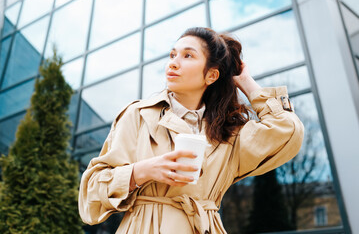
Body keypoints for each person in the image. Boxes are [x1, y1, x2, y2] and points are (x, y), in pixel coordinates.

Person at [78, 27, 304, 234]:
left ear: (211, 75)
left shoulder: (229, 134)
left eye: (188, 55)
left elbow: (288, 130)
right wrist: (142, 171)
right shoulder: (138, 115)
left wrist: (245, 81)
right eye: (172, 55)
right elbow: (91, 195)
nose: (173, 63)